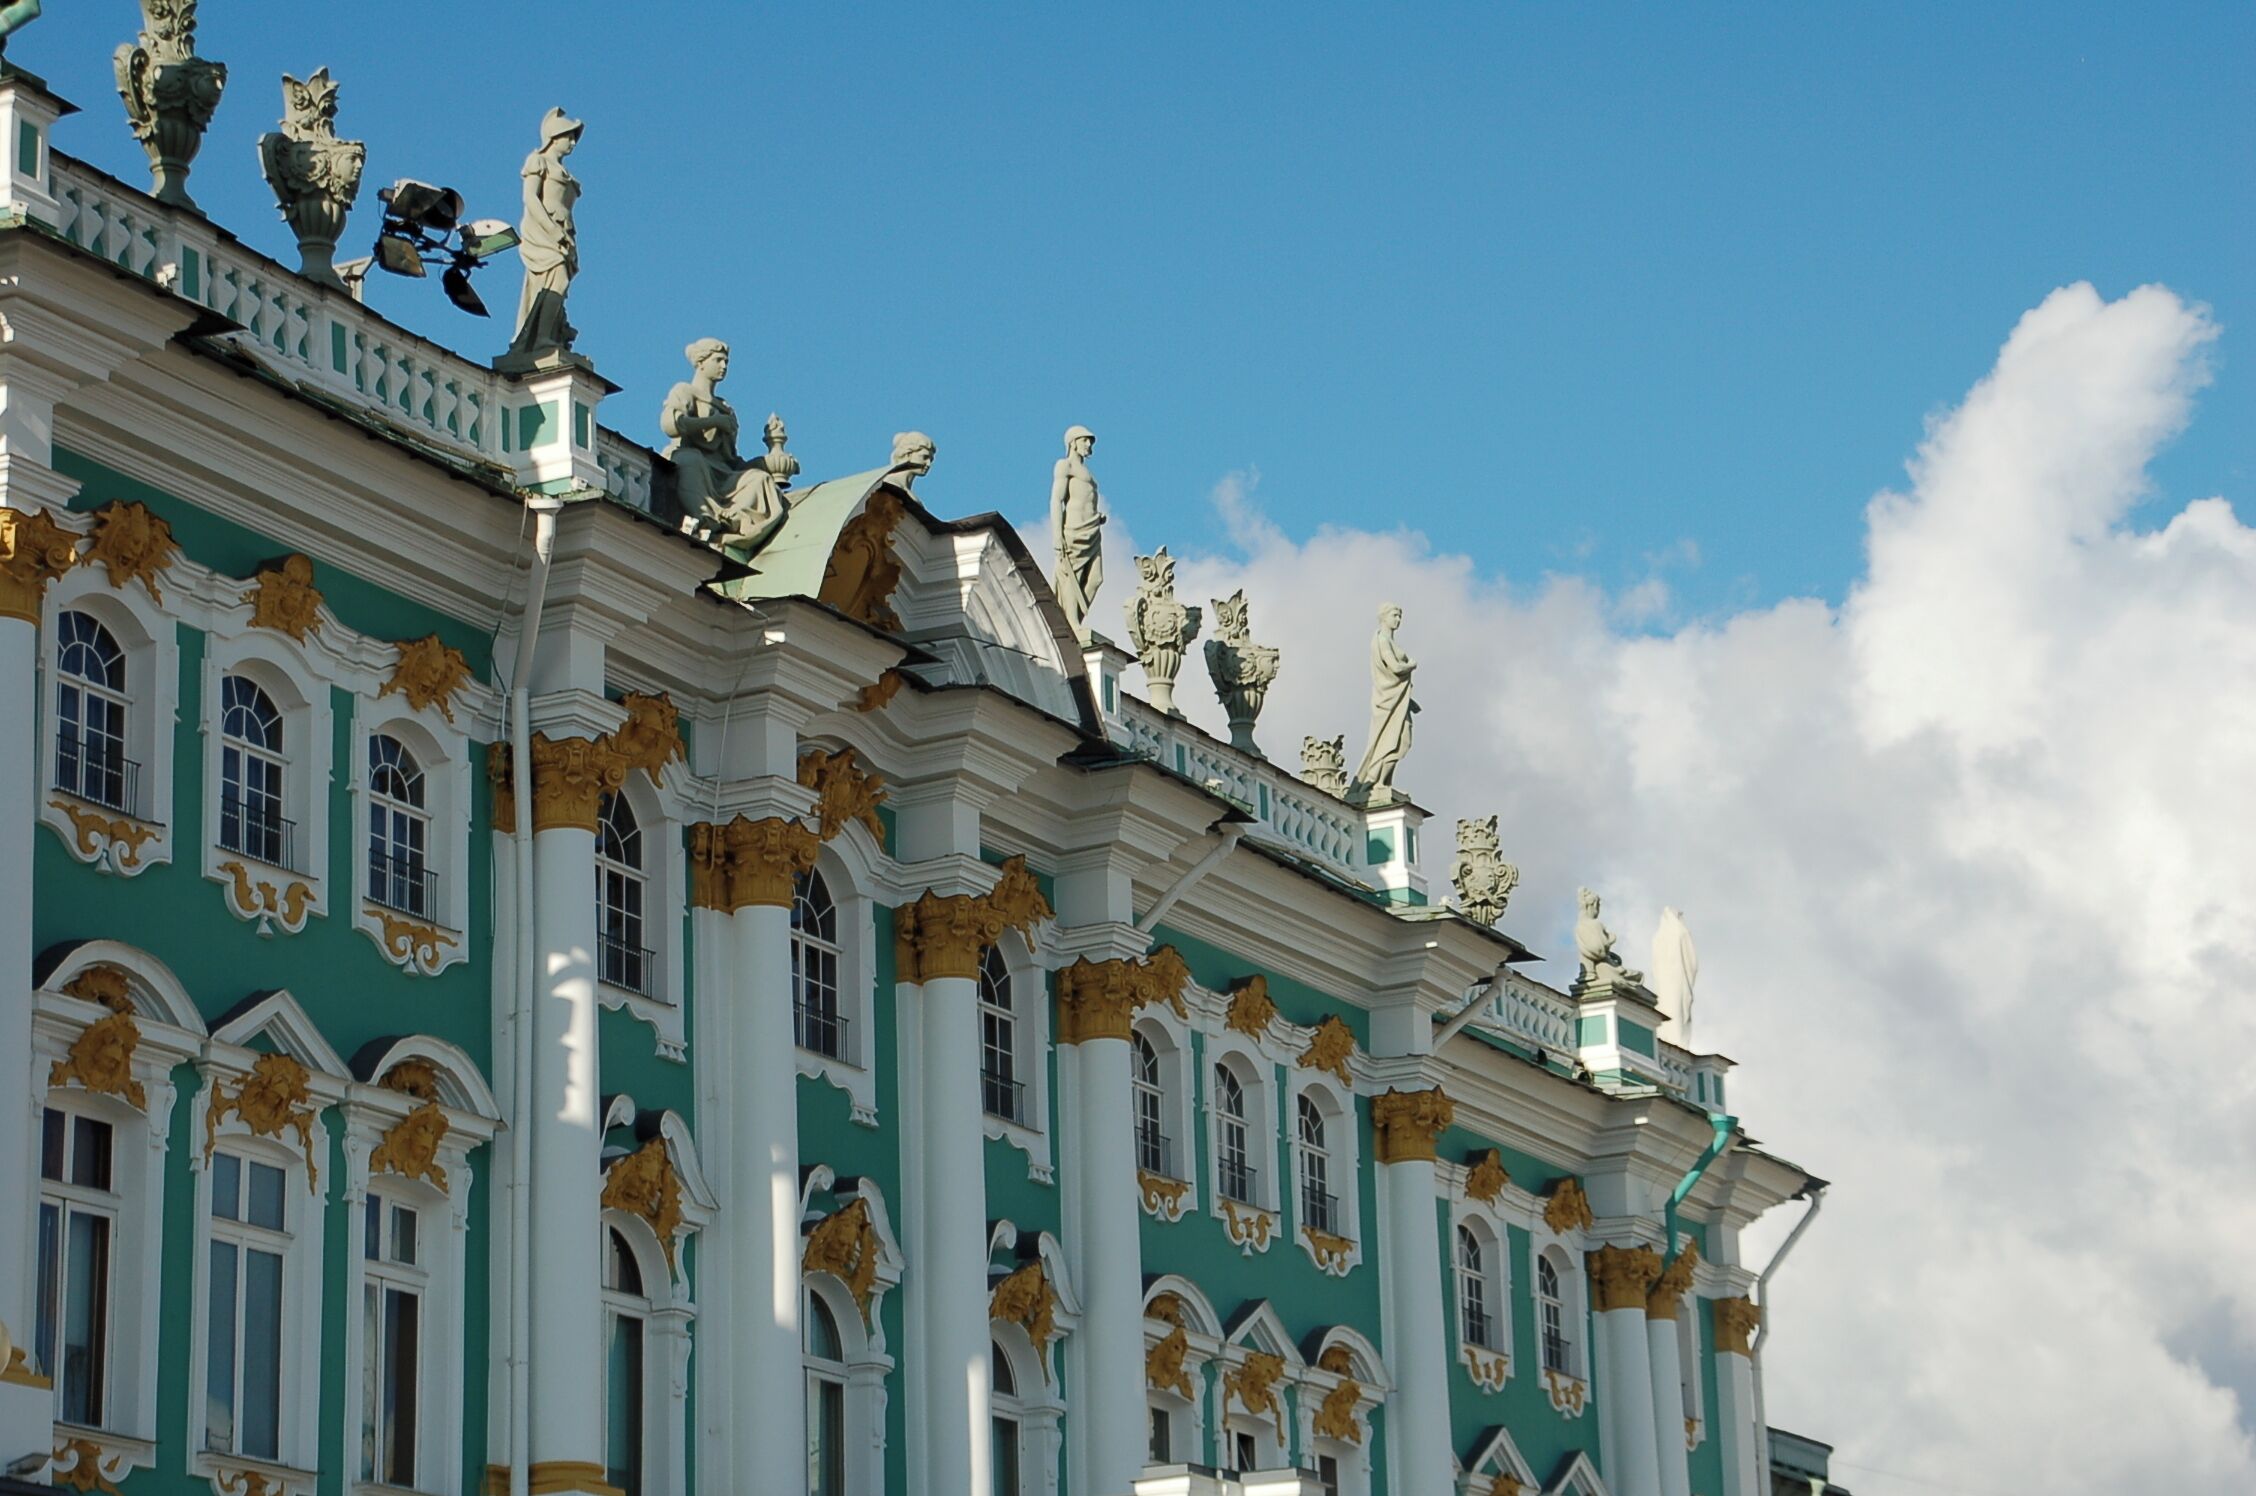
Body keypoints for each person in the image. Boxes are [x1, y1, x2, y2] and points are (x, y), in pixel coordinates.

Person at [659, 339, 796, 547]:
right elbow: (670, 425)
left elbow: (732, 461)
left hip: (722, 474)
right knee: (689, 459)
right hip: (695, 466)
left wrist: (766, 463)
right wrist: (712, 421)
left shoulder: (725, 408)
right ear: (701, 362)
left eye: (726, 362)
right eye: (719, 360)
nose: (724, 366)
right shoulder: (684, 391)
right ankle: (706, 518)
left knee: (760, 480)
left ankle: (731, 520)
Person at [505, 108, 583, 364]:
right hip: (543, 231)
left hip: (564, 231)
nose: (571, 143)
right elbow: (529, 197)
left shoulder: (563, 170)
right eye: (567, 137)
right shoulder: (537, 160)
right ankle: (540, 341)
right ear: (553, 137)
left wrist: (564, 234)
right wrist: (552, 230)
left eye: (573, 138)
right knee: (555, 279)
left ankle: (548, 335)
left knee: (557, 283)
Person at [1352, 604, 1419, 802]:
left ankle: (1383, 781)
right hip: (1387, 702)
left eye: (1400, 616)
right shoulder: (1382, 640)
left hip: (1397, 700)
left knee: (1402, 741)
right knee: (1391, 741)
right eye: (1394, 615)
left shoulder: (1387, 640)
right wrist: (1412, 665)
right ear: (1383, 617)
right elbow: (1396, 668)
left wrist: (1409, 700)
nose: (1398, 619)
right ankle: (1376, 782)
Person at [1050, 425, 1105, 642]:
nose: (1089, 445)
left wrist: (1098, 518)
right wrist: (1057, 534)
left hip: (1092, 528)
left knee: (1096, 579)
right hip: (1074, 529)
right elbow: (1056, 500)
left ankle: (1074, 619)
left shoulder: (1087, 472)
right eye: (1085, 440)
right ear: (1073, 442)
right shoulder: (1065, 465)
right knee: (1071, 575)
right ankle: (1071, 622)